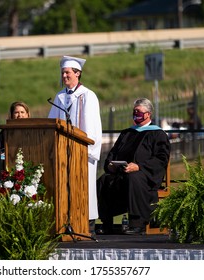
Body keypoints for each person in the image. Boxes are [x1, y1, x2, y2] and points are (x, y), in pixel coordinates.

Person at [97, 98, 170, 235]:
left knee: (133, 178)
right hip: (121, 173)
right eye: (134, 111)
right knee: (103, 180)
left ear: (148, 114)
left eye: (139, 111)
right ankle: (106, 223)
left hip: (144, 175)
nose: (135, 113)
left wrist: (139, 166)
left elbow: (161, 159)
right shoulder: (127, 133)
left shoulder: (157, 134)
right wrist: (111, 165)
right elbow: (112, 154)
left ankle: (138, 223)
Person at [48, 55, 102, 236]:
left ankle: (88, 223)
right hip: (63, 152)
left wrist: (89, 149)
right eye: (62, 73)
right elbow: (51, 123)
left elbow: (93, 127)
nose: (64, 76)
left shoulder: (88, 96)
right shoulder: (59, 96)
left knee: (84, 187)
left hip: (82, 151)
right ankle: (66, 221)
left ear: (78, 74)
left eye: (67, 73)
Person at [0, 101, 31, 175]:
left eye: (22, 112)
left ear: (27, 114)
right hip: (10, 169)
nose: (20, 115)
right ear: (12, 115)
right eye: (16, 112)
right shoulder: (5, 132)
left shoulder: (35, 131)